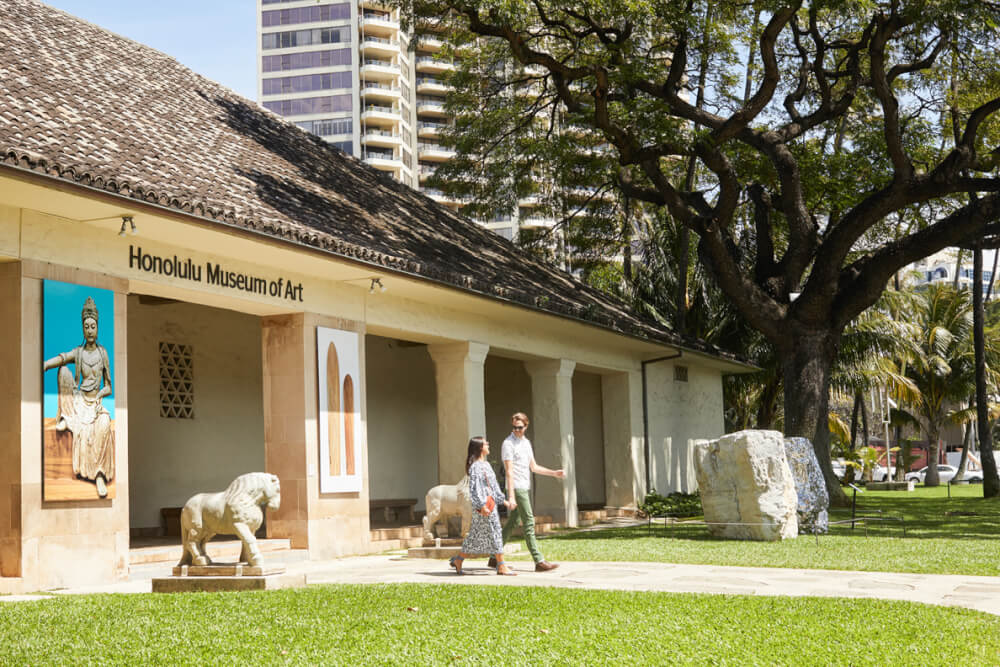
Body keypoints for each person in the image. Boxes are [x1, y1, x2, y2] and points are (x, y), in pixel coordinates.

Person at [43, 296, 115, 497]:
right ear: (83, 329)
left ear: (97, 328)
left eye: (93, 326)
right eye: (87, 326)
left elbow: (109, 386)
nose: (90, 330)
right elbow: (62, 358)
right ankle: (67, 416)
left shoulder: (103, 353)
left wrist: (100, 394)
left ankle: (99, 474)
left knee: (104, 423)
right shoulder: (79, 352)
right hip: (79, 400)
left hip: (95, 402)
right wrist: (46, 365)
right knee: (64, 371)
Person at [494, 412, 564, 572]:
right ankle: (539, 560)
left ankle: (493, 557)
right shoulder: (508, 444)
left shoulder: (526, 443)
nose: (516, 430)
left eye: (519, 427)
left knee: (512, 523)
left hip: (524, 486)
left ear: (526, 426)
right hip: (516, 487)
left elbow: (534, 467)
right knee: (529, 522)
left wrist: (554, 473)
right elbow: (509, 471)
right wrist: (511, 495)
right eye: (514, 427)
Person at [448, 437, 516, 575]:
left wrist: (504, 501)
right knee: (495, 531)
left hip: (489, 505)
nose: (488, 444)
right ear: (480, 448)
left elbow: (493, 487)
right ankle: (501, 565)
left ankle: (459, 560)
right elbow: (475, 488)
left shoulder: (486, 465)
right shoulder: (475, 467)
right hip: (484, 507)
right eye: (486, 443)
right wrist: (481, 505)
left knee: (476, 536)